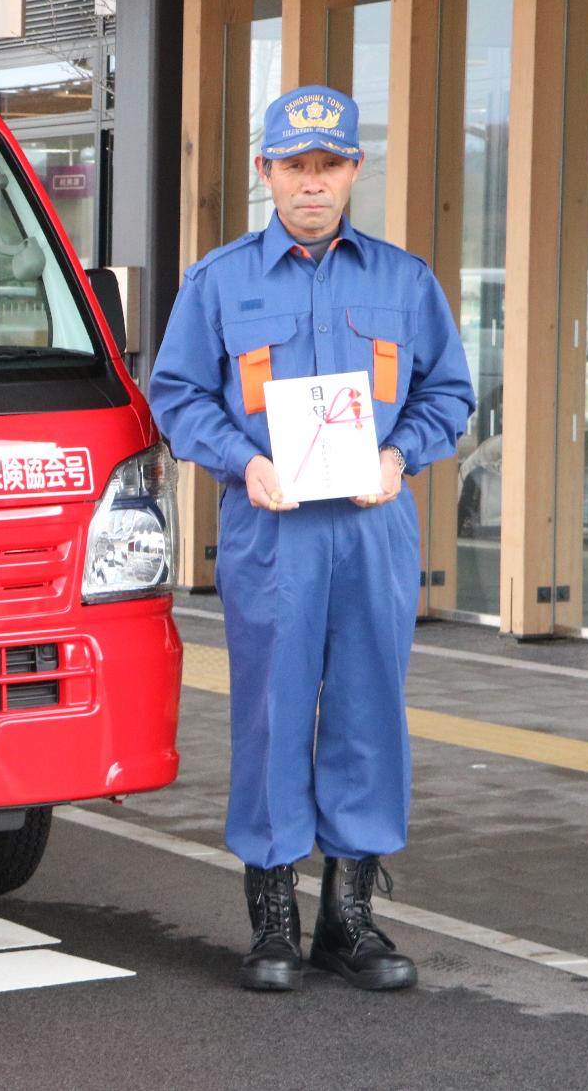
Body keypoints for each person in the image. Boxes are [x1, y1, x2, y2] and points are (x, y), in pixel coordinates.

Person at [149, 85, 475, 995]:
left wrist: (401, 455)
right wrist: (242, 461)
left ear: (355, 170)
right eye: (296, 165)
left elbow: (449, 392)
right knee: (272, 710)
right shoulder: (220, 282)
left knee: (370, 713)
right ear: (266, 171)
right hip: (273, 529)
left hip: (373, 525)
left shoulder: (404, 282)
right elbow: (177, 394)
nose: (313, 183)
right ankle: (274, 918)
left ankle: (349, 916)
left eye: (330, 164)